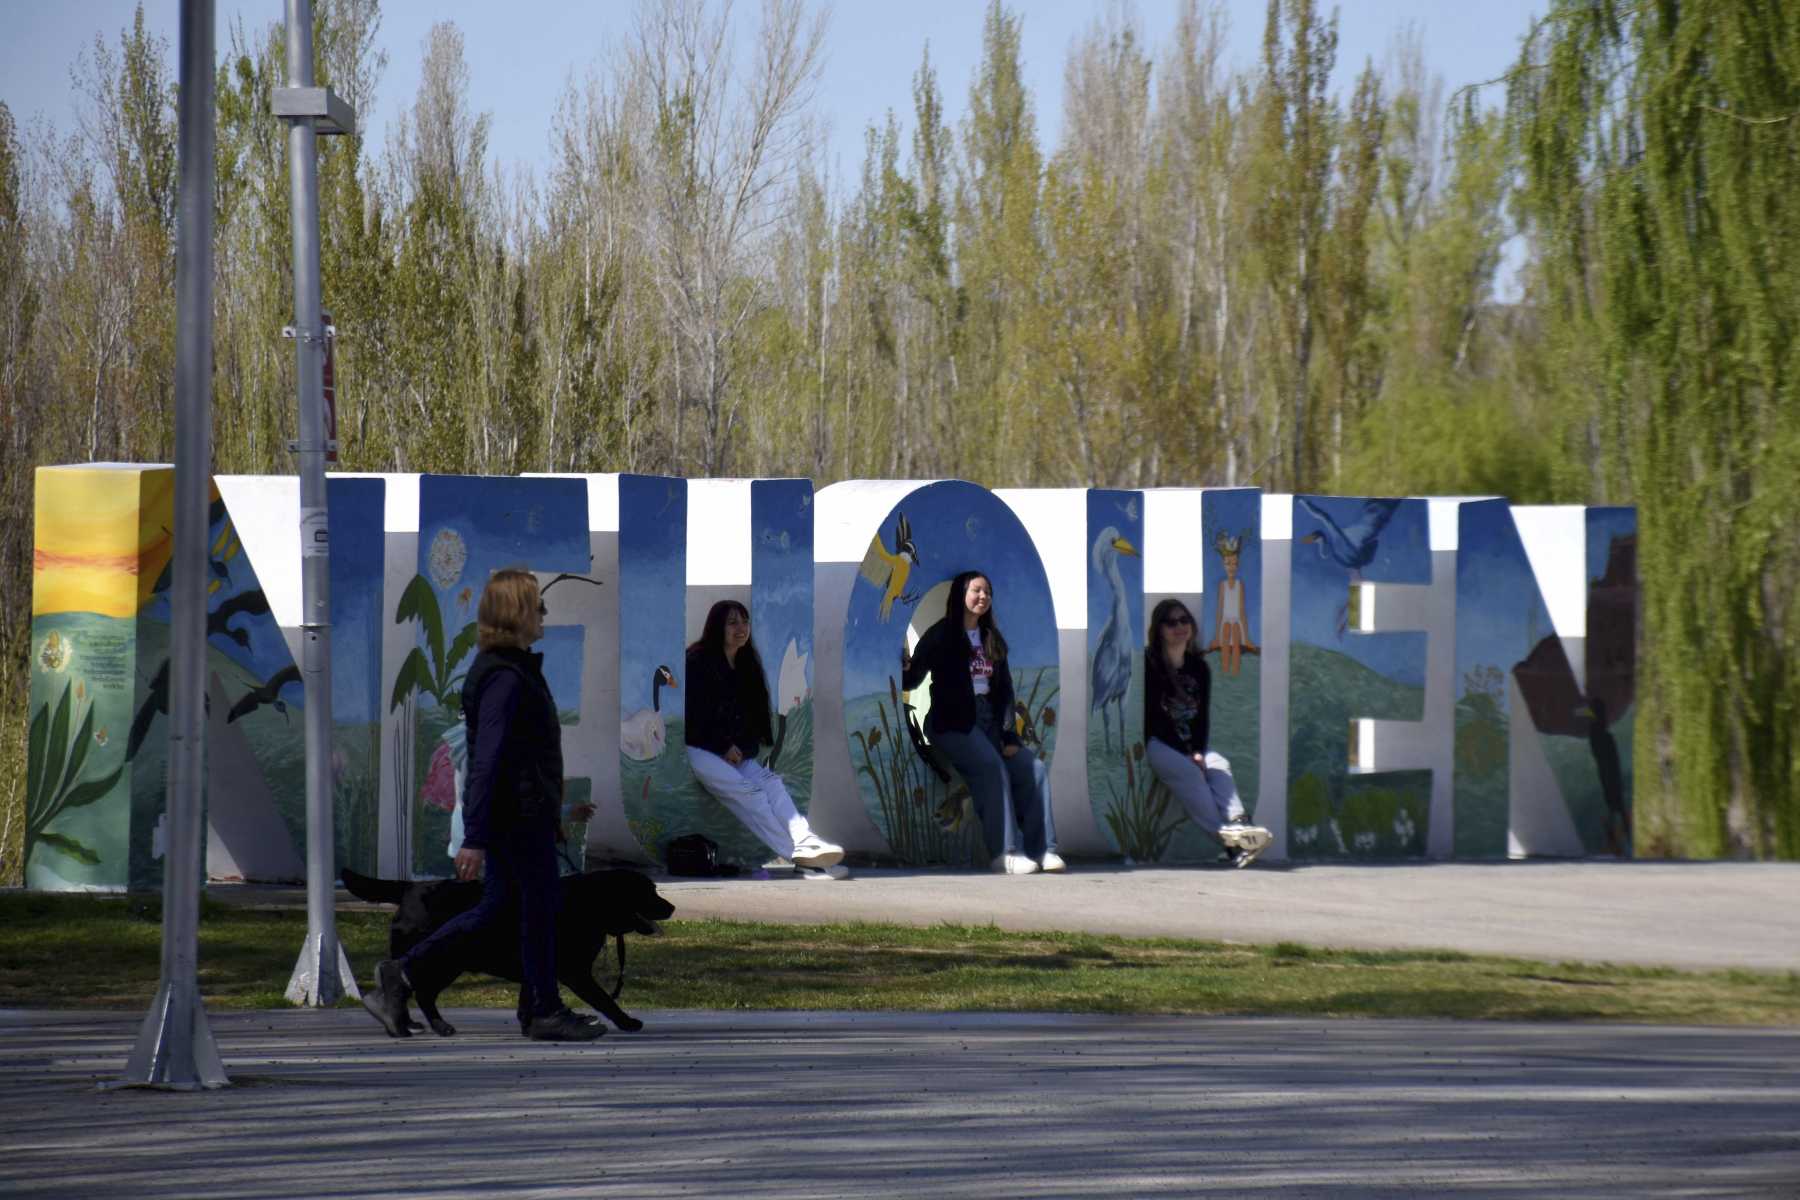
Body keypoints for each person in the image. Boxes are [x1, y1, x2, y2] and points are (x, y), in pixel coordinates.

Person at [364, 568, 603, 1041]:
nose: (543, 615)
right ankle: (542, 1010)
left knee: (502, 910)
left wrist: (550, 814)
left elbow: (522, 756)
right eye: (538, 606)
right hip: (516, 817)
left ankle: (403, 976)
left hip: (527, 814)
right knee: (538, 910)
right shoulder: (505, 678)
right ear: (517, 612)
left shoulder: (509, 670)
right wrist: (474, 836)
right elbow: (488, 759)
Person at [903, 570, 1058, 875]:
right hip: (952, 722)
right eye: (976, 590)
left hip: (990, 719)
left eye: (987, 591)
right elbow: (915, 674)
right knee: (991, 767)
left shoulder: (991, 639)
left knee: (1033, 770)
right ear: (961, 594)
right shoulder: (942, 634)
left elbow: (1005, 691)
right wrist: (905, 664)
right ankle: (1005, 853)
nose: (983, 597)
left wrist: (1009, 736)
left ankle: (1044, 850)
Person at [685, 600, 848, 879]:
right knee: (753, 796)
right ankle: (800, 857)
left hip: (735, 754)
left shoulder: (748, 666)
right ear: (717, 627)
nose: (741, 628)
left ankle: (806, 842)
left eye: (745, 621)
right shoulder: (697, 661)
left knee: (771, 784)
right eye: (733, 622)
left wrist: (743, 748)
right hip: (700, 749)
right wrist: (722, 746)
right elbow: (692, 717)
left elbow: (756, 723)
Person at [1145, 597, 1273, 868]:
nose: (1179, 626)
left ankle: (1239, 824)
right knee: (1192, 774)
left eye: (1184, 620)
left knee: (1220, 765)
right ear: (1159, 630)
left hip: (1193, 747)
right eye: (1171, 622)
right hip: (1159, 745)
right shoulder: (1150, 665)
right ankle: (1231, 840)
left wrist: (1199, 752)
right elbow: (1156, 719)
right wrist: (1189, 755)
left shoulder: (1199, 668)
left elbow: (1202, 720)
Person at [1207, 532, 1259, 677]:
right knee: (1225, 638)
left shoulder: (1239, 585)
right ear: (1224, 565)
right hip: (1225, 620)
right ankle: (1225, 671)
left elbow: (1242, 610)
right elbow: (1219, 609)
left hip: (1236, 619)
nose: (1232, 567)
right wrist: (1216, 635)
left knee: (1236, 638)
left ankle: (1235, 672)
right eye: (1228, 564)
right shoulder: (1222, 585)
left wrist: (1246, 636)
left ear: (1238, 565)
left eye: (1234, 563)